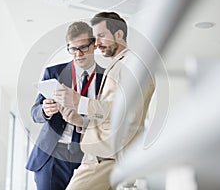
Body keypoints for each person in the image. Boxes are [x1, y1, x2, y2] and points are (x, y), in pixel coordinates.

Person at [54, 12, 155, 190]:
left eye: (101, 36)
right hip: (103, 155)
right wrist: (81, 121)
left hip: (107, 157)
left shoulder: (133, 64)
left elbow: (127, 111)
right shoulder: (119, 64)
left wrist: (80, 102)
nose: (97, 43)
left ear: (119, 35)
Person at [26, 21, 105, 190]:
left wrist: (82, 122)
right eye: (73, 49)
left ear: (94, 45)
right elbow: (34, 112)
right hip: (52, 154)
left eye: (83, 47)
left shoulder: (106, 79)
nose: (78, 54)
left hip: (87, 156)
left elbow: (108, 119)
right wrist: (45, 111)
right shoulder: (53, 73)